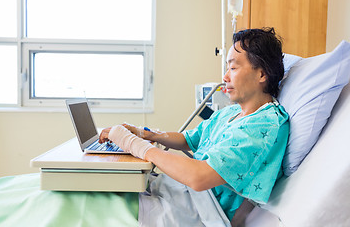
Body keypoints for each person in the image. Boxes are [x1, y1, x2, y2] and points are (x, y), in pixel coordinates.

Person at [99, 27, 290, 221]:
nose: (225, 77)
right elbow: (189, 139)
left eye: (233, 68)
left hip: (198, 212)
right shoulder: (232, 112)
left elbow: (199, 177)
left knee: (91, 204)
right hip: (178, 192)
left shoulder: (265, 125)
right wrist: (146, 135)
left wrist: (134, 145)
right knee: (98, 189)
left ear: (262, 75)